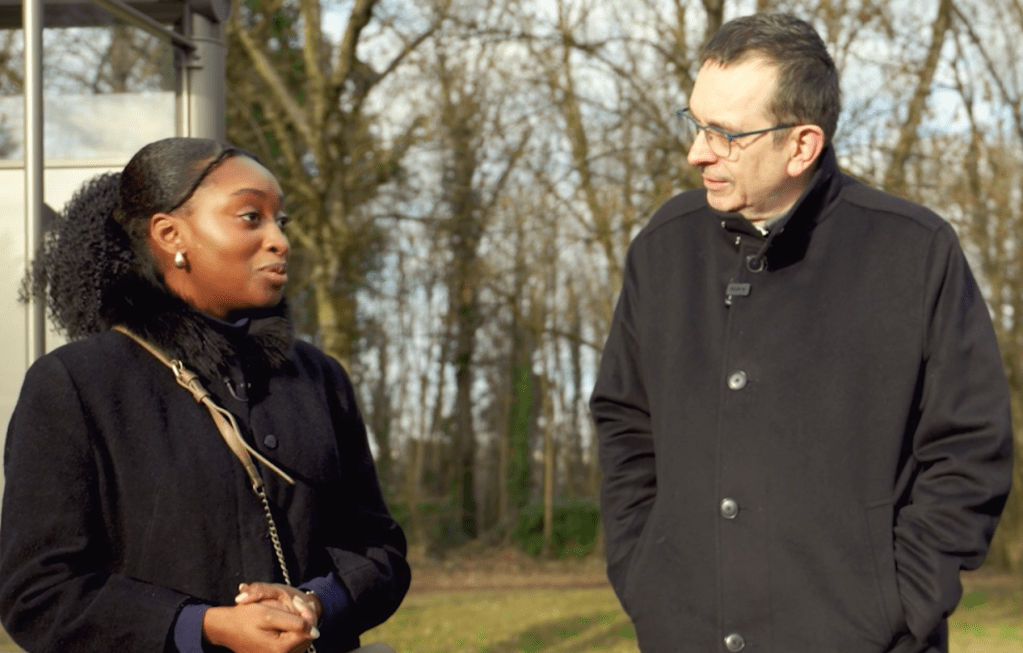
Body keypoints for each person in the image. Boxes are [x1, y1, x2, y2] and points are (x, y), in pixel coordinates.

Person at [590, 13, 1013, 653]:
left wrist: (897, 604)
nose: (696, 152)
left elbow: (969, 448)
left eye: (725, 134)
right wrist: (644, 574)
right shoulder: (662, 249)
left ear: (802, 145)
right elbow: (624, 420)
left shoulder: (913, 252)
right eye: (695, 122)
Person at [0, 137, 410, 653]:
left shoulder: (319, 378)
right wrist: (204, 626)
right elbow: (38, 593)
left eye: (281, 220)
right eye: (250, 217)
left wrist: (318, 602)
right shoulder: (74, 385)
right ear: (171, 235)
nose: (279, 240)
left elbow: (380, 552)